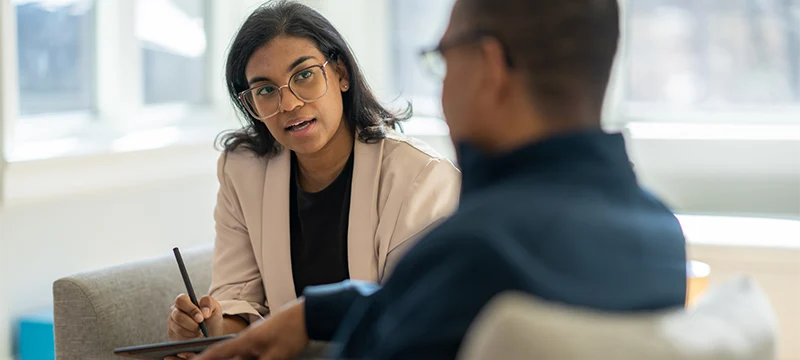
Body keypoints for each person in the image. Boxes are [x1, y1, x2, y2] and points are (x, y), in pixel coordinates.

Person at [196, 0, 688, 359]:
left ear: (489, 68)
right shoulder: (660, 233)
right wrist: (315, 313)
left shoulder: (474, 250)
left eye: (445, 58)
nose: (443, 86)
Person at [164, 0, 461, 346]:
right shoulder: (242, 170)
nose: (288, 104)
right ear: (250, 105)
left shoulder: (420, 178)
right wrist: (210, 326)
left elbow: (408, 319)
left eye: (303, 75)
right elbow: (239, 302)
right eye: (265, 90)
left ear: (341, 74)